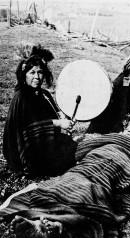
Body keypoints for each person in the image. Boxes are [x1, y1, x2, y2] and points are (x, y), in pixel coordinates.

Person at [0, 108, 130, 238]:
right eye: (127, 128)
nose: (128, 131)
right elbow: (81, 149)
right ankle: (48, 224)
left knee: (91, 190)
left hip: (115, 167)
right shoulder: (110, 138)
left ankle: (52, 223)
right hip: (89, 164)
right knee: (63, 184)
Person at [3, 44, 77, 176]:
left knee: (72, 146)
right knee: (67, 156)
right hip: (28, 150)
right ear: (24, 75)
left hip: (43, 144)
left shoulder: (44, 94)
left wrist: (64, 120)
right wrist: (58, 123)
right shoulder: (21, 97)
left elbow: (53, 115)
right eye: (32, 72)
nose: (37, 77)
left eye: (40, 72)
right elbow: (29, 129)